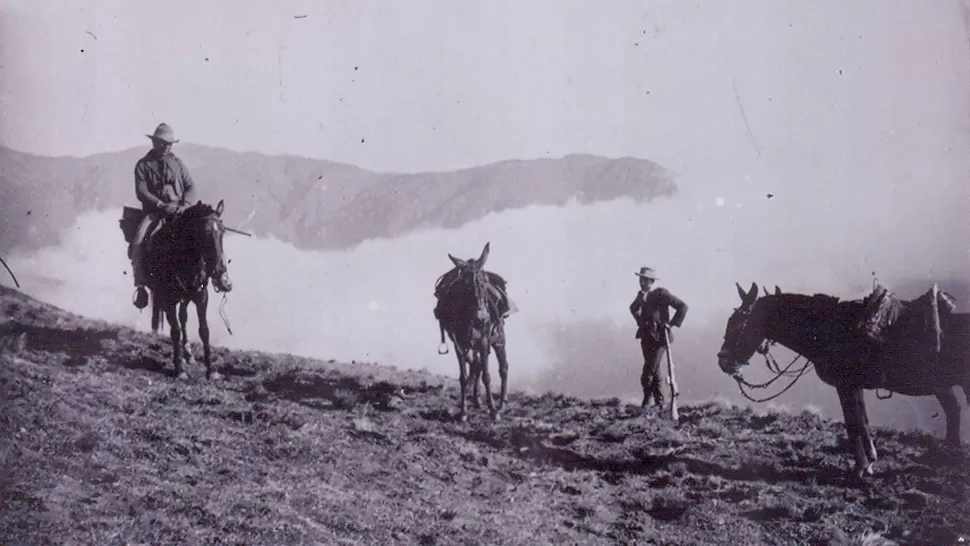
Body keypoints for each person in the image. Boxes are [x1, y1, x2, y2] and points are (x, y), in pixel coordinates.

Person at [129, 123, 198, 309]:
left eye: (169, 144)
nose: (167, 147)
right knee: (137, 241)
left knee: (205, 233)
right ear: (154, 142)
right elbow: (141, 191)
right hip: (155, 213)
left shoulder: (177, 164)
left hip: (179, 211)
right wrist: (159, 205)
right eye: (163, 143)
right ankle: (141, 286)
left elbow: (190, 186)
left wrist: (184, 205)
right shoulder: (142, 166)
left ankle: (212, 276)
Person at [630, 266, 688, 409]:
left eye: (645, 280)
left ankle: (646, 403)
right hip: (646, 337)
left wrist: (671, 324)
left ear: (651, 281)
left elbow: (682, 307)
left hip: (660, 338)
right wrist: (641, 321)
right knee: (654, 371)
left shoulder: (661, 293)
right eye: (641, 279)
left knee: (648, 372)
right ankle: (660, 402)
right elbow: (633, 308)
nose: (642, 283)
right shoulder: (641, 295)